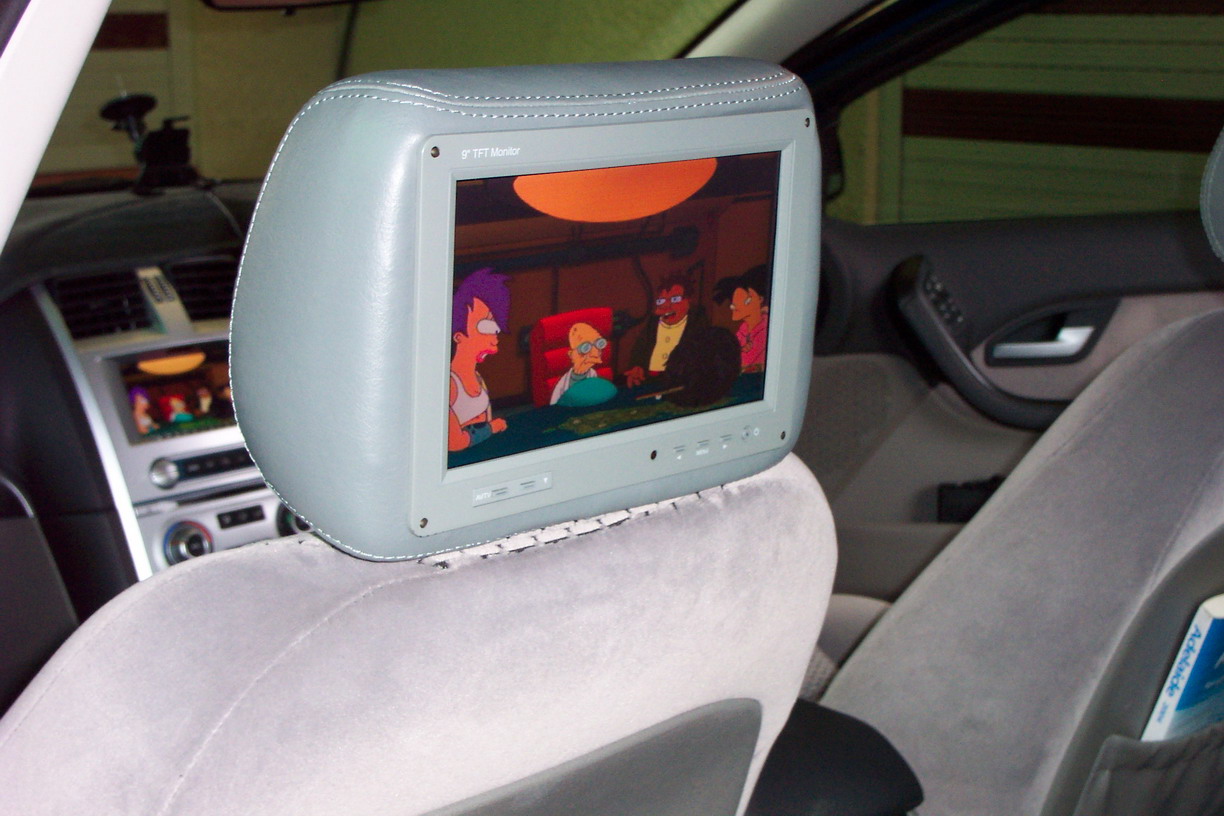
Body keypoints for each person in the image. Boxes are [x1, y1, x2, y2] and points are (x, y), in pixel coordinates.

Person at [449, 268, 511, 452]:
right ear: (458, 336)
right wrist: (491, 428)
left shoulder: (477, 378)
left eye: (495, 328)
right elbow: (454, 443)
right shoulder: (449, 385)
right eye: (486, 326)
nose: (495, 338)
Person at [625, 271, 707, 388]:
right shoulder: (652, 325)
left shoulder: (697, 324)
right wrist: (637, 367)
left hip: (679, 384)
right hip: (649, 382)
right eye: (662, 301)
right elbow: (639, 350)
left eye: (675, 299)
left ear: (688, 301)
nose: (666, 305)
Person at [713, 264, 769, 372]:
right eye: (734, 301)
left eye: (743, 299)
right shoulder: (743, 331)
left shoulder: (766, 329)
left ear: (760, 299)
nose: (733, 306)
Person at [549, 321, 608, 405]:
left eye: (599, 343)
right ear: (571, 354)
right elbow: (554, 406)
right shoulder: (562, 385)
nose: (595, 352)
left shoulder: (595, 377)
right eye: (585, 347)